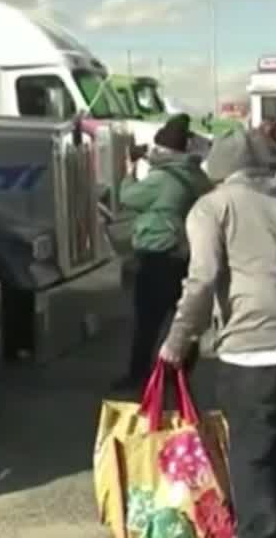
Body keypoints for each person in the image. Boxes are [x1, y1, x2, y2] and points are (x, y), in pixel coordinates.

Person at [158, 125, 276, 538]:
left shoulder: (213, 207)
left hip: (252, 344)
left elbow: (202, 279)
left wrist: (179, 339)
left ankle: (261, 531)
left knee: (251, 450)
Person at [111, 114, 210, 391]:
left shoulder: (163, 178)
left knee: (147, 322)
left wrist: (130, 170)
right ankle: (180, 376)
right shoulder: (197, 175)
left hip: (158, 254)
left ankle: (138, 375)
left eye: (156, 149)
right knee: (184, 318)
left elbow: (128, 198)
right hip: (187, 253)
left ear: (164, 150)